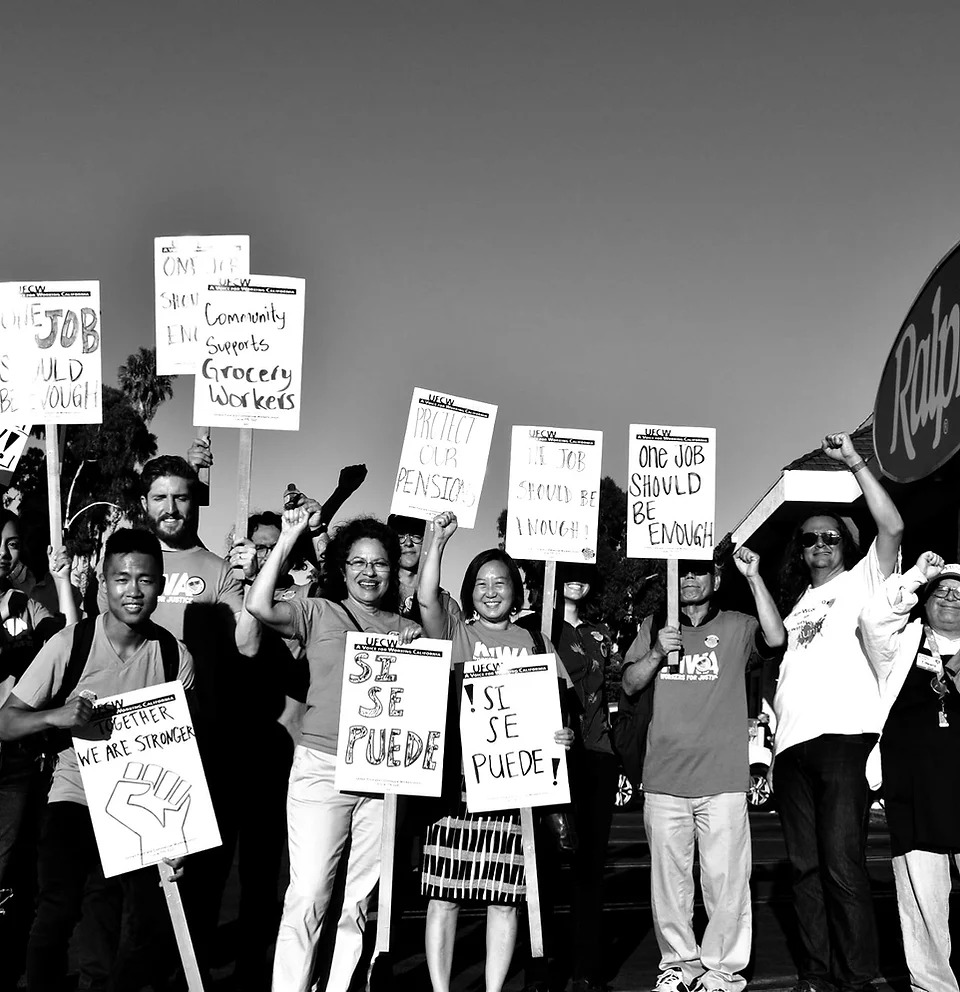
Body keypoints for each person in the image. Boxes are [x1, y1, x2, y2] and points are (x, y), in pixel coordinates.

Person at [0, 528, 194, 992]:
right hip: (75, 795)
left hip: (140, 806)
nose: (133, 590)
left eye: (145, 580)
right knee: (57, 910)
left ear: (161, 586)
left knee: (137, 924)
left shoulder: (174, 656)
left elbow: (180, 749)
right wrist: (59, 716)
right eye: (121, 578)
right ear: (103, 583)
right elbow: (6, 722)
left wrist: (181, 833)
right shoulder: (70, 644)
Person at [246, 507, 419, 992]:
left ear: (393, 569)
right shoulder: (317, 611)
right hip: (322, 768)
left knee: (358, 904)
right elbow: (260, 605)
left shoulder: (408, 632)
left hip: (384, 775)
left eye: (380, 562)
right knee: (309, 894)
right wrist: (291, 535)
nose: (370, 572)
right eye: (359, 562)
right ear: (341, 568)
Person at [416, 511, 573, 992]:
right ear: (469, 591)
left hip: (514, 789)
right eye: (481, 582)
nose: (490, 590)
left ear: (515, 590)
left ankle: (492, 988)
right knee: (444, 895)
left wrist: (561, 735)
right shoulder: (456, 631)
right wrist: (438, 543)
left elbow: (560, 707)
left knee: (505, 899)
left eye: (500, 581)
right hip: (458, 785)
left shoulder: (536, 640)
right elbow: (425, 597)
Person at [773, 432, 903, 992]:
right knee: (804, 871)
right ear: (800, 551)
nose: (820, 545)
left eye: (830, 537)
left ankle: (858, 978)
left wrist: (854, 462)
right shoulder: (800, 602)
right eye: (810, 539)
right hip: (790, 748)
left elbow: (892, 527)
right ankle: (816, 974)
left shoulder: (861, 583)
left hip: (844, 741)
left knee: (843, 866)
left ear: (846, 546)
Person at [621, 548, 784, 992]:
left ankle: (722, 972)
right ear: (670, 580)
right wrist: (657, 651)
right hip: (665, 780)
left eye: (699, 571)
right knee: (670, 888)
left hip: (723, 781)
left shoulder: (737, 625)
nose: (690, 579)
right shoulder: (652, 626)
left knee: (726, 885)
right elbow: (631, 684)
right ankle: (678, 965)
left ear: (715, 578)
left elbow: (776, 638)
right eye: (682, 572)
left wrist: (753, 576)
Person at [859, 552, 960, 992]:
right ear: (926, 598)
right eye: (942, 591)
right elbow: (873, 618)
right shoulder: (902, 643)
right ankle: (934, 987)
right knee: (922, 911)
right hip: (914, 796)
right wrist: (920, 575)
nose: (951, 599)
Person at [0, 511, 78, 990]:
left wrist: (64, 579)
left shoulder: (25, 603)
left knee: (8, 868)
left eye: (11, 543)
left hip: (15, 757)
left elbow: (65, 632)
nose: (4, 553)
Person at [388, 513, 461, 623]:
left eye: (416, 536)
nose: (408, 543)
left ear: (426, 541)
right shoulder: (377, 592)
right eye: (400, 537)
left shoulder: (446, 604)